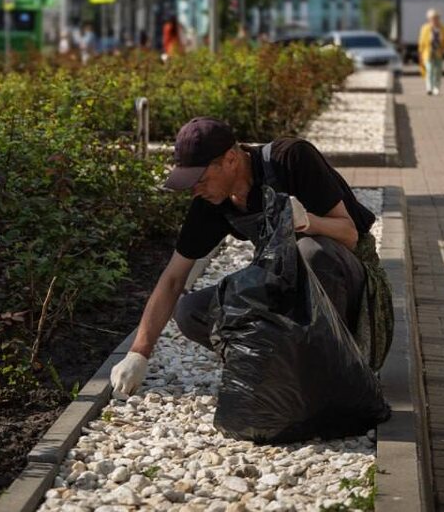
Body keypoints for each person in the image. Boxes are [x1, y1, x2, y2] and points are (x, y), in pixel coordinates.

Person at [109, 117, 392, 397]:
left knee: (311, 252)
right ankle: (281, 368)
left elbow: (349, 234)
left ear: (231, 159)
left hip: (350, 288)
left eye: (202, 179)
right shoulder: (211, 202)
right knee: (191, 311)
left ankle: (334, 372)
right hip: (286, 289)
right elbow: (173, 279)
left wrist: (308, 222)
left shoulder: (291, 159)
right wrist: (139, 352)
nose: (196, 190)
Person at [417, 9, 444, 96]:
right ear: (429, 19)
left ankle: (436, 87)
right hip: (428, 53)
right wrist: (420, 53)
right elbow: (421, 41)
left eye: (436, 18)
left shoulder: (443, 28)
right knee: (429, 70)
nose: (435, 20)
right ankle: (429, 88)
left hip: (439, 52)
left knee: (438, 71)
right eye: (432, 18)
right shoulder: (425, 28)